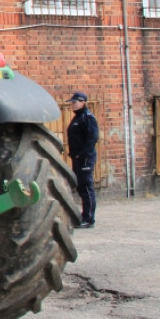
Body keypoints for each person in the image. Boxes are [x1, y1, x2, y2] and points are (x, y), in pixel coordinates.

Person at [67, 91, 99, 229]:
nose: (73, 105)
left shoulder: (87, 118)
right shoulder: (78, 117)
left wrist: (82, 154)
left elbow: (93, 138)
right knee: (80, 186)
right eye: (72, 102)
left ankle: (89, 218)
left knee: (86, 186)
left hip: (85, 158)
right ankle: (85, 215)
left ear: (83, 102)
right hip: (77, 157)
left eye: (75, 102)